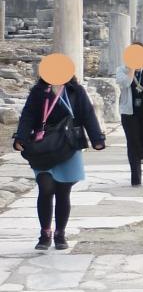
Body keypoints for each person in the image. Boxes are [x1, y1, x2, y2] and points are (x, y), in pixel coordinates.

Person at [13, 73, 106, 250]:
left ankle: (60, 233)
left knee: (63, 191)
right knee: (45, 187)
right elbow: (28, 115)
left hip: (68, 145)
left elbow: (87, 114)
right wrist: (21, 138)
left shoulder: (76, 91)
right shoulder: (39, 91)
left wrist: (97, 139)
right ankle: (45, 232)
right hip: (44, 146)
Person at [116, 49, 143, 186]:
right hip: (129, 112)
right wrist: (132, 69)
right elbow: (125, 84)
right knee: (133, 142)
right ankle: (135, 176)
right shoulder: (121, 70)